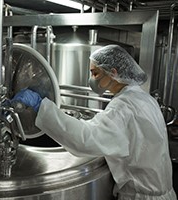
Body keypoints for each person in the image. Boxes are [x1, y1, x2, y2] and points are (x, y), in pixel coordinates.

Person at [11, 44, 177, 200]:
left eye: (95, 73)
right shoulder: (142, 97)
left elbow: (85, 140)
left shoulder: (123, 108)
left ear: (113, 72)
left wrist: (40, 106)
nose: (91, 79)